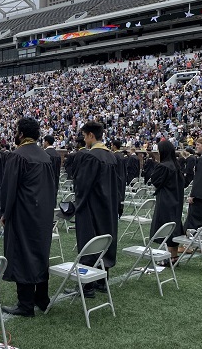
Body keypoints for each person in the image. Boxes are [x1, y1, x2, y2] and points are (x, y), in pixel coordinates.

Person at [0, 118, 56, 317]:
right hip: (43, 214)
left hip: (23, 214)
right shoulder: (45, 156)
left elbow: (9, 188)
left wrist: (5, 212)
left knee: (22, 254)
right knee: (40, 253)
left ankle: (25, 304)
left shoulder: (17, 156)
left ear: (21, 134)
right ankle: (42, 298)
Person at [73, 121, 120, 298]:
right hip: (108, 207)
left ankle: (87, 287)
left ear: (91, 135)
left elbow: (83, 186)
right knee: (104, 241)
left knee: (89, 243)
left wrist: (77, 205)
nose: (84, 140)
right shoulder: (112, 156)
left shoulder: (91, 156)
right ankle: (102, 281)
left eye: (85, 136)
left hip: (91, 207)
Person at [149, 140, 184, 264]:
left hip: (166, 200)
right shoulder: (176, 165)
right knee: (174, 225)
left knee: (166, 227)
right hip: (177, 199)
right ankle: (173, 256)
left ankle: (168, 257)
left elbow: (155, 181)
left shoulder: (163, 166)